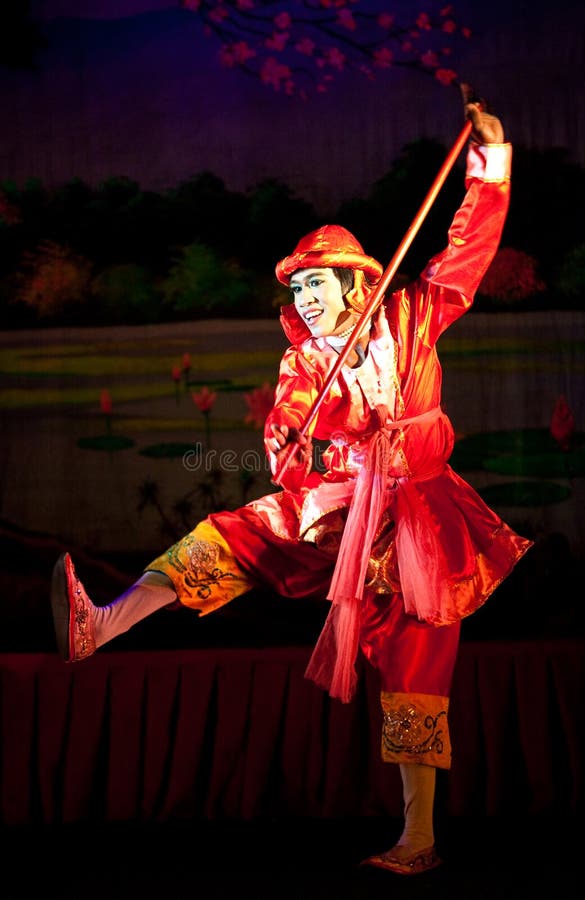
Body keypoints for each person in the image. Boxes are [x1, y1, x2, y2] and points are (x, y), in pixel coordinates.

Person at [51, 84, 533, 875]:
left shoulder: (414, 314)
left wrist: (490, 157)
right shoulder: (305, 360)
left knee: (417, 670)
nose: (304, 302)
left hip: (420, 518)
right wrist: (299, 458)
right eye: (296, 291)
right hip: (340, 506)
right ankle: (100, 625)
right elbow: (287, 438)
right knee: (232, 532)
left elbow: (469, 248)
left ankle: (418, 839)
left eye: (316, 286)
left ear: (353, 282)